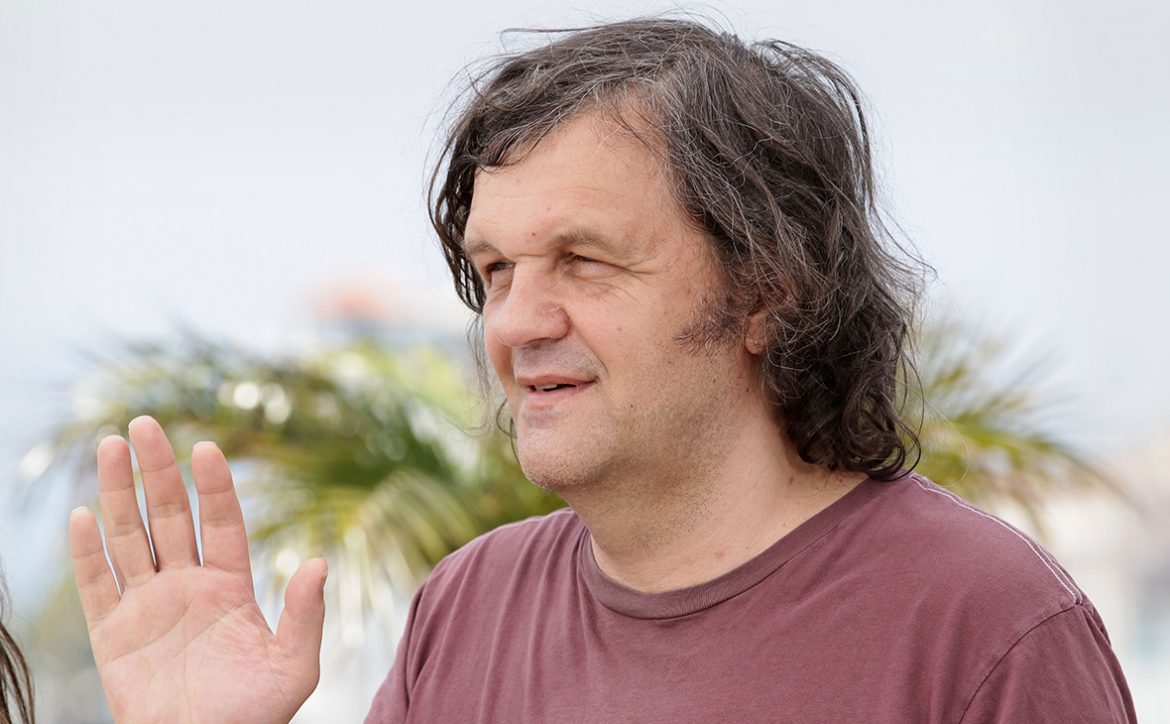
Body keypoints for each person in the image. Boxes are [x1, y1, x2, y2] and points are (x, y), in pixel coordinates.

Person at [68, 17, 1135, 723]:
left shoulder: (983, 626)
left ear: (769, 288)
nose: (516, 321)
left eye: (585, 260)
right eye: (496, 269)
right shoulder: (467, 607)